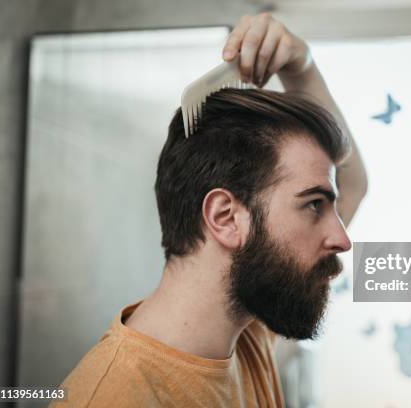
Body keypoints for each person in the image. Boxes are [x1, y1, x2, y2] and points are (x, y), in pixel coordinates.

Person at [52, 13, 367, 407]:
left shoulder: (244, 330)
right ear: (225, 217)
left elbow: (351, 181)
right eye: (314, 205)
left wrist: (300, 66)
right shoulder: (116, 397)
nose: (342, 239)